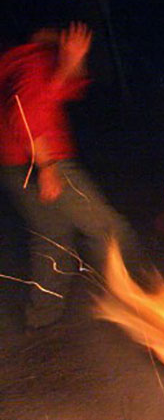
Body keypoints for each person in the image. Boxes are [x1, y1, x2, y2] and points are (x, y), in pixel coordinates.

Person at [0, 21, 141, 330]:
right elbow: (27, 109)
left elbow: (65, 89)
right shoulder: (32, 57)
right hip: (41, 160)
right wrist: (47, 167)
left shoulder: (18, 59)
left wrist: (71, 62)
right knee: (109, 230)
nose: (69, 36)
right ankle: (146, 306)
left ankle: (41, 316)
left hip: (14, 165)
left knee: (53, 241)